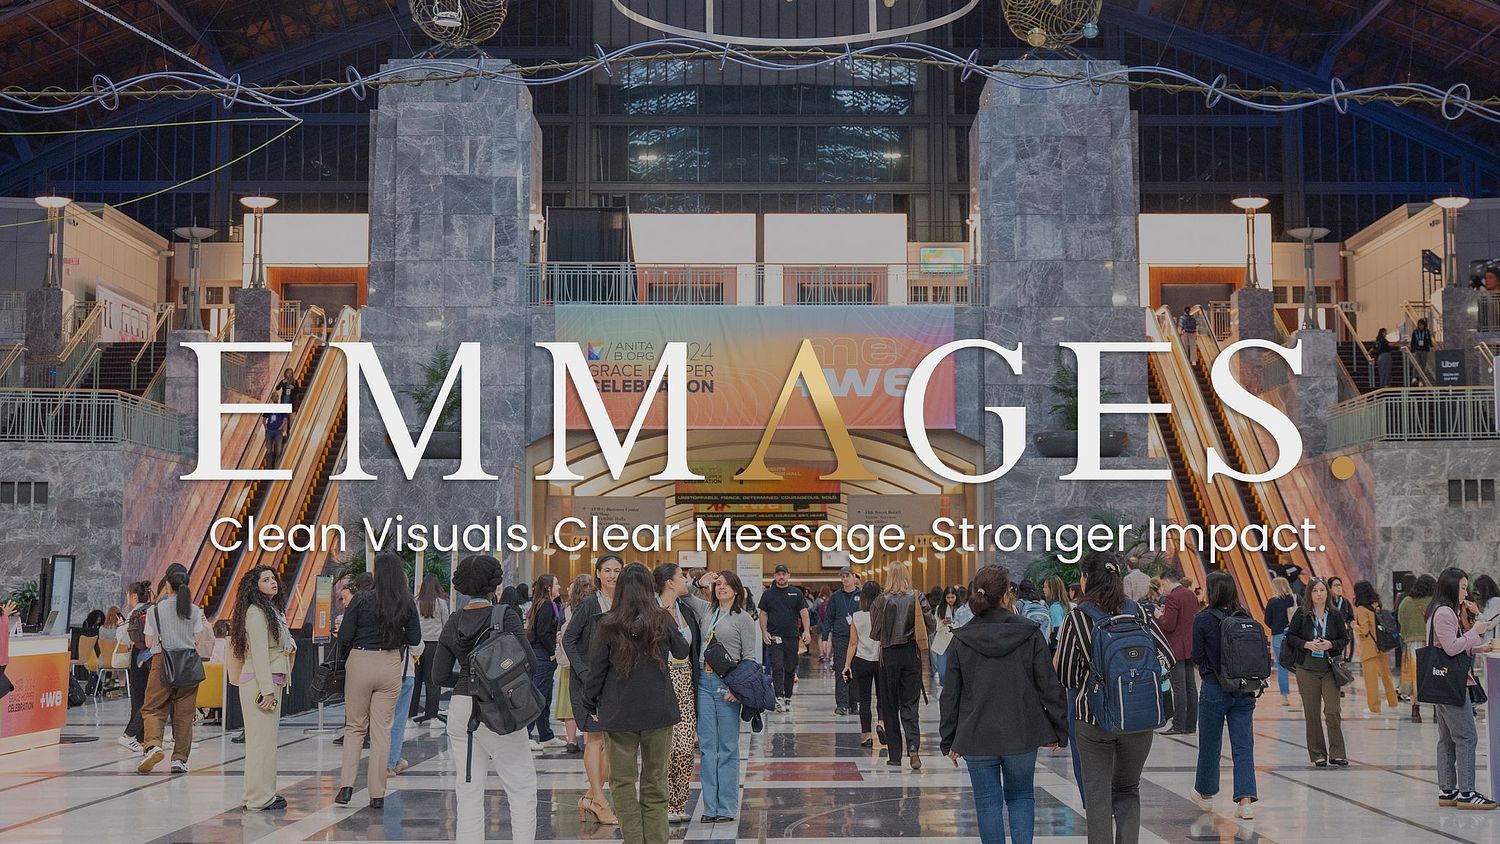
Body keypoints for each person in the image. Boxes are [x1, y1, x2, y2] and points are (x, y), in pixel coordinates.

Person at [941, 565, 1067, 844]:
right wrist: (1060, 728)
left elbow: (950, 693)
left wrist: (949, 738)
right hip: (1022, 730)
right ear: (1007, 596)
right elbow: (1048, 683)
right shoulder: (1030, 632)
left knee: (987, 803)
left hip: (976, 734)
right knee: (1021, 796)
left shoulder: (961, 637)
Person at [1054, 551, 1174, 844]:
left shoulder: (1078, 618)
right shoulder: (1139, 611)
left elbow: (1067, 677)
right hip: (1138, 718)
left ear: (1086, 579)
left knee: (1098, 794)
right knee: (1128, 789)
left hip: (1094, 720)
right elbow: (1167, 658)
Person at [582, 563, 690, 844]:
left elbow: (596, 671)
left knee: (622, 783)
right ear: (649, 589)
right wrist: (669, 616)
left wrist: (590, 703)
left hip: (619, 714)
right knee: (656, 781)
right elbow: (682, 651)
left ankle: (633, 839)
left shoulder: (606, 623)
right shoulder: (662, 619)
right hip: (658, 711)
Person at [433, 554, 538, 843]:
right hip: (498, 709)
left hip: (461, 709)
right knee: (521, 786)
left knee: (467, 790)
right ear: (495, 584)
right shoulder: (506, 615)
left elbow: (439, 675)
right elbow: (530, 663)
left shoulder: (454, 620)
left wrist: (469, 680)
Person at [333, 552, 421, 808]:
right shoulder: (406, 601)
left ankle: (347, 787)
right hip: (390, 663)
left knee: (355, 728)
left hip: (360, 661)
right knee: (382, 731)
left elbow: (345, 636)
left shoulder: (361, 598)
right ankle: (377, 793)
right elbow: (415, 639)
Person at [686, 569, 760, 823]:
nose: (721, 587)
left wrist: (737, 690)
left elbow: (749, 658)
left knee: (727, 747)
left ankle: (726, 807)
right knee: (707, 747)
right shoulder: (707, 610)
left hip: (727, 685)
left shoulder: (743, 619)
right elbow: (681, 593)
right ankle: (710, 806)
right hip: (704, 684)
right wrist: (699, 581)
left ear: (737, 590)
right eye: (718, 584)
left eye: (727, 584)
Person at [1427, 567, 1497, 809]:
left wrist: (1478, 646)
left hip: (1440, 681)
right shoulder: (1445, 612)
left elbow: (1448, 645)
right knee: (1467, 736)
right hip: (1452, 684)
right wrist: (1475, 633)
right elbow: (1450, 648)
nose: (1466, 592)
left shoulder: (1438, 610)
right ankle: (1467, 792)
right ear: (1451, 586)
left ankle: (1448, 790)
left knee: (1447, 738)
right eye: (1463, 587)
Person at [1190, 572, 1258, 819]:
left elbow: (1196, 657)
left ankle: (1206, 794)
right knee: (1243, 745)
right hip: (1244, 689)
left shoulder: (1203, 619)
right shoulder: (1245, 617)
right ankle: (1246, 800)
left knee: (1210, 743)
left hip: (1214, 689)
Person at [227, 565, 296, 811]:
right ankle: (259, 798)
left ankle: (258, 793)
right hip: (260, 683)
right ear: (254, 586)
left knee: (263, 742)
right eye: (265, 580)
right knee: (261, 743)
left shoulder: (269, 610)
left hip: (268, 680)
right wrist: (266, 690)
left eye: (273, 578)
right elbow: (258, 653)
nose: (272, 582)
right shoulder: (256, 613)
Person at [563, 553, 624, 825]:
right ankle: (599, 800)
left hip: (615, 682)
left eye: (616, 570)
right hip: (589, 683)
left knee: (614, 742)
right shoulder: (590, 604)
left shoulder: (624, 603)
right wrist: (584, 671)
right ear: (598, 573)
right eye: (607, 570)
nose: (612, 575)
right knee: (595, 739)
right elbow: (569, 638)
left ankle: (591, 796)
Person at [138, 564, 210, 774]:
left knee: (153, 708)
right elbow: (198, 639)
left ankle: (153, 746)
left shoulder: (155, 611)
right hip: (188, 665)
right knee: (184, 715)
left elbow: (150, 642)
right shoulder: (194, 611)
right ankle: (179, 759)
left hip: (161, 662)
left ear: (167, 584)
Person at [871, 561, 935, 769]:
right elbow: (931, 624)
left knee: (889, 705)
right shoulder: (917, 597)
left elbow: (875, 633)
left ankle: (895, 755)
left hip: (889, 656)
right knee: (910, 704)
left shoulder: (882, 600)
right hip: (911, 654)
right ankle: (914, 747)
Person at [653, 564, 702, 824]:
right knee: (661, 748)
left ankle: (677, 801)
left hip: (684, 679)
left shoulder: (687, 611)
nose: (685, 579)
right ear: (669, 583)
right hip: (658, 679)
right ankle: (657, 801)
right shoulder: (650, 611)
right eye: (681, 576)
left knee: (684, 747)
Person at [1285, 578, 1349, 766]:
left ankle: (1337, 752)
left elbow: (1344, 639)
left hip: (1330, 669)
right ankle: (1317, 754)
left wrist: (1331, 644)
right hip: (1307, 669)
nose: (1319, 594)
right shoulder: (1302, 614)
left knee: (1332, 710)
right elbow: (1291, 637)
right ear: (1310, 594)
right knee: (1311, 713)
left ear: (1327, 593)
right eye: (1315, 591)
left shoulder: (1335, 615)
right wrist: (1306, 644)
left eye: (1322, 590)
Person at [758, 564, 811, 713]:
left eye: (784, 574)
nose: (781, 576)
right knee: (777, 667)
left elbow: (804, 612)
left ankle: (788, 697)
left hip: (792, 637)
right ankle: (778, 698)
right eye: (778, 574)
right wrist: (764, 632)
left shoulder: (796, 593)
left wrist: (806, 631)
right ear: (774, 576)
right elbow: (763, 614)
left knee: (790, 668)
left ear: (788, 576)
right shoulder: (768, 594)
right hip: (775, 637)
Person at [1154, 568, 1198, 735]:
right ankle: (1191, 725)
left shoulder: (1173, 597)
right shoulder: (1191, 595)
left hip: (1176, 649)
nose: (1162, 588)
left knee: (1178, 687)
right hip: (1189, 646)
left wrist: (1159, 615)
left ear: (1166, 581)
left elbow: (1169, 625)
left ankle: (1178, 724)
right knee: (1191, 687)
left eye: (1162, 584)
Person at [556, 573, 594, 754]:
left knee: (569, 703)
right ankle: (588, 738)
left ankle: (571, 740)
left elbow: (561, 633)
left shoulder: (567, 608)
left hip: (568, 662)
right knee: (589, 701)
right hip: (587, 661)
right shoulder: (594, 605)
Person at [842, 581, 884, 748]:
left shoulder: (857, 616)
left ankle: (866, 735)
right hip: (881, 660)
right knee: (883, 697)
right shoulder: (884, 614)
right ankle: (882, 723)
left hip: (862, 660)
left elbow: (853, 643)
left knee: (864, 699)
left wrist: (847, 665)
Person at [527, 573, 565, 750]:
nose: (559, 587)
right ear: (549, 587)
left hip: (542, 655)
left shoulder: (549, 604)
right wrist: (552, 652)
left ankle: (546, 735)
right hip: (542, 655)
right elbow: (542, 632)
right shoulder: (547, 605)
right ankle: (526, 734)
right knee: (539, 696)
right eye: (557, 584)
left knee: (545, 696)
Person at [118, 580, 154, 753]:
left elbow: (124, 638)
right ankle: (142, 736)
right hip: (152, 655)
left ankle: (132, 735)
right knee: (149, 694)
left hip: (138, 656)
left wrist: (120, 627)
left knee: (138, 697)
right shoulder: (151, 609)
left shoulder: (134, 613)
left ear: (133, 596)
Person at [1353, 580, 1398, 714]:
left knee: (1371, 680)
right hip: (1381, 646)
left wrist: (1354, 626)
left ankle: (1374, 707)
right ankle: (1393, 701)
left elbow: (1364, 630)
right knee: (1386, 675)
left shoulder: (1361, 608)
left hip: (1369, 648)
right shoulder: (1376, 604)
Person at [821, 567, 861, 716]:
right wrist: (825, 638)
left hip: (858, 639)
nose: (845, 579)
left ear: (854, 577)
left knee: (855, 670)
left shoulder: (861, 595)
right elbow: (828, 618)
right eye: (842, 577)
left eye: (847, 576)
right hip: (841, 637)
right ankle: (842, 704)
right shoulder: (836, 597)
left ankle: (854, 703)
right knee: (841, 669)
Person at [410, 577, 449, 726]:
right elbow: (446, 625)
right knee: (433, 682)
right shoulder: (441, 603)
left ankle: (410, 717)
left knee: (416, 681)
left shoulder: (415, 602)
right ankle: (433, 717)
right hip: (435, 647)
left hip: (418, 645)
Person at [1399, 574, 1435, 721]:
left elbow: (1401, 620)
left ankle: (1415, 709)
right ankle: (1436, 711)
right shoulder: (1434, 602)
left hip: (1412, 644)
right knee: (1433, 675)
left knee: (1415, 678)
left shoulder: (1406, 602)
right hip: (1431, 643)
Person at [1263, 577, 1296, 706]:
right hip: (1294, 635)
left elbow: (1267, 620)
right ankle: (1305, 693)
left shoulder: (1272, 602)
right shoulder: (1294, 599)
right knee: (1299, 665)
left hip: (1278, 636)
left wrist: (1275, 627)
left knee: (1282, 667)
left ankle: (1285, 696)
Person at [1328, 577, 1354, 660]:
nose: (1339, 588)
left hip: (1342, 634)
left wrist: (1348, 624)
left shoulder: (1345, 602)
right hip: (1330, 635)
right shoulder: (1327, 602)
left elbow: (1351, 617)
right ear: (1329, 588)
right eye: (1336, 585)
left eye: (1340, 585)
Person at [1472, 575, 1500, 643]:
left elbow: (1489, 624)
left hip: (1493, 644)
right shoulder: (1488, 603)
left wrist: (1477, 613)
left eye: (1478, 589)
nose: (1477, 592)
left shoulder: (1496, 601)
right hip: (1487, 643)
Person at [1043, 576, 1070, 644]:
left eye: (1045, 587)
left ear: (1052, 589)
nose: (1043, 589)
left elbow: (1057, 630)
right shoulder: (1063, 605)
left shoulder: (1055, 607)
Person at [814, 586, 833, 664]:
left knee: (820, 637)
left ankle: (821, 653)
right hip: (830, 621)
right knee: (829, 637)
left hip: (820, 621)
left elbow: (812, 608)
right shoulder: (832, 599)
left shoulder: (818, 600)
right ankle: (828, 655)